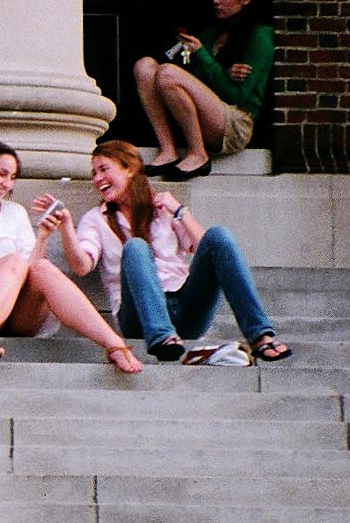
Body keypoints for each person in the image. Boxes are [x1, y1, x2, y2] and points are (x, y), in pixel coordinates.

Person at [33, 139, 291, 363]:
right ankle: (161, 336)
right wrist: (66, 225)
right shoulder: (96, 219)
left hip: (186, 309)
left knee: (219, 235)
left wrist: (180, 211)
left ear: (130, 169)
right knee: (135, 247)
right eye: (94, 173)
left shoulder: (163, 209)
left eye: (104, 169)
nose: (97, 178)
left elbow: (209, 252)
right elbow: (81, 266)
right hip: (137, 316)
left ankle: (260, 335)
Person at [0, 139, 143, 372]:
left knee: (43, 269)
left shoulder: (14, 213)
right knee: (11, 262)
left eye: (12, 177)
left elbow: (30, 268)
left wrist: (43, 236)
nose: (7, 184)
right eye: (1, 174)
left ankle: (115, 346)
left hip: (14, 310)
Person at [133, 0, 274, 180]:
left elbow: (237, 97)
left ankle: (198, 155)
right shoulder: (210, 33)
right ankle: (168, 150)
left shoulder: (259, 38)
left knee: (168, 73)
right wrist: (221, 71)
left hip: (234, 123)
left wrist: (203, 57)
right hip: (202, 116)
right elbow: (194, 81)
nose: (216, 0)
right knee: (144, 66)